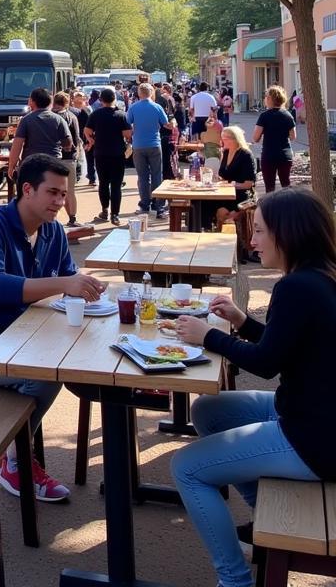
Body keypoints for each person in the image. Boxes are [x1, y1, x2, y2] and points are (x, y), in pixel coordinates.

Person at [171, 188, 336, 587]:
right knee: (210, 411)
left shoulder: (295, 287)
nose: (252, 241)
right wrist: (243, 321)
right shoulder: (319, 278)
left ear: (287, 234)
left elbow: (265, 364)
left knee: (186, 468)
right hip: (312, 416)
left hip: (315, 440)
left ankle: (235, 580)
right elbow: (287, 346)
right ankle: (263, 512)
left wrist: (208, 336)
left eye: (259, 231)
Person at [0, 154, 105, 503]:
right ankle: (13, 459)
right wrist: (65, 282)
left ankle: (12, 443)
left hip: (23, 337)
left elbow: (65, 286)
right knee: (46, 370)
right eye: (53, 193)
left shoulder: (53, 232)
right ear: (27, 189)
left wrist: (83, 291)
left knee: (62, 356)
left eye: (64, 194)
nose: (60, 202)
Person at [84, 87, 132, 225]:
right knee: (116, 185)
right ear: (114, 99)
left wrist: (91, 139)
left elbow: (87, 130)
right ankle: (115, 214)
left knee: (103, 183)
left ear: (101, 100)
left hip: (100, 153)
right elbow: (128, 134)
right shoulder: (121, 115)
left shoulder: (95, 114)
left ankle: (104, 210)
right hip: (117, 153)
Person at [6, 87, 72, 182]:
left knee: (32, 193)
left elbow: (17, 145)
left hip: (31, 164)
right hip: (53, 163)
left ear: (31, 101)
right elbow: (68, 143)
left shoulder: (26, 120)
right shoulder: (59, 119)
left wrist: (11, 166)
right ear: (51, 102)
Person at [208, 126, 257, 251]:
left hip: (242, 194)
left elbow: (248, 184)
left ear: (235, 139)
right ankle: (216, 242)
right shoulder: (226, 152)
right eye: (222, 138)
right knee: (206, 206)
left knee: (223, 213)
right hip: (226, 193)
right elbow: (223, 175)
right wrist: (216, 178)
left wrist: (232, 184)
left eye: (226, 138)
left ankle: (228, 247)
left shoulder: (246, 155)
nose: (223, 140)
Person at [126, 83, 170, 219]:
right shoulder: (157, 107)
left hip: (138, 145)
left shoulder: (133, 107)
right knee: (157, 175)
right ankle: (159, 207)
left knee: (143, 177)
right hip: (154, 144)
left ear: (139, 94)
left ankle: (144, 205)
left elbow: (128, 123)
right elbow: (166, 124)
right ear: (151, 93)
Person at [253, 85, 297, 191]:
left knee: (269, 187)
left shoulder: (264, 116)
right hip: (285, 154)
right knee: (286, 184)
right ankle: (288, 206)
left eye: (266, 97)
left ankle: (271, 207)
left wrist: (262, 137)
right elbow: (293, 136)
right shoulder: (288, 115)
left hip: (269, 155)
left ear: (269, 99)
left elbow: (255, 137)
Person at [52, 91, 82, 226]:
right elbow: (76, 138)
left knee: (52, 190)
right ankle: (73, 218)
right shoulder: (72, 117)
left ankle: (52, 219)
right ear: (67, 103)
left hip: (53, 157)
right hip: (69, 158)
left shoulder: (50, 117)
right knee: (70, 191)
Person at [71, 90, 96, 186]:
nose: (79, 98)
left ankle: (92, 177)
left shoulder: (86, 110)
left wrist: (89, 139)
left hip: (85, 136)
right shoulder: (71, 110)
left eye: (80, 96)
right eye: (77, 96)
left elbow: (90, 125)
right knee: (76, 157)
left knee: (89, 157)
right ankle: (78, 175)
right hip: (75, 136)